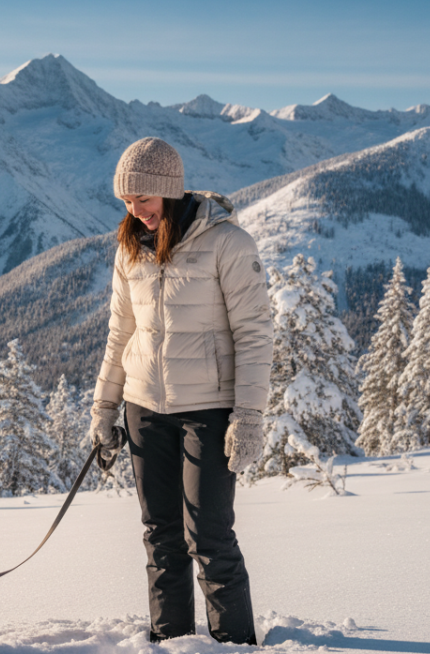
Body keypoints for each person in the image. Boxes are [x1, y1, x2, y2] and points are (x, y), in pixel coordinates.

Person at [88, 137, 272, 645]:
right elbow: (120, 335)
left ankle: (232, 643)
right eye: (126, 201)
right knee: (160, 536)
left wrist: (249, 415)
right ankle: (171, 641)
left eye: (143, 199)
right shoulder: (129, 250)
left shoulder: (228, 244)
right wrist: (105, 409)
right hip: (144, 409)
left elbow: (255, 334)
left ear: (169, 191)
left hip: (208, 412)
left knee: (209, 537)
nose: (135, 211)